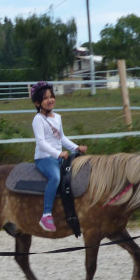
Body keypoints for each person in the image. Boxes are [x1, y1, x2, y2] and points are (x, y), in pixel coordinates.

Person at [30, 82, 87, 232]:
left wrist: (76, 147)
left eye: (51, 96)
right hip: (45, 158)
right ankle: (46, 214)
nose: (50, 100)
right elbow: (41, 143)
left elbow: (62, 138)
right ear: (37, 103)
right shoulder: (38, 120)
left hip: (58, 157)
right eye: (45, 98)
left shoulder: (58, 118)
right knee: (55, 177)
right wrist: (58, 153)